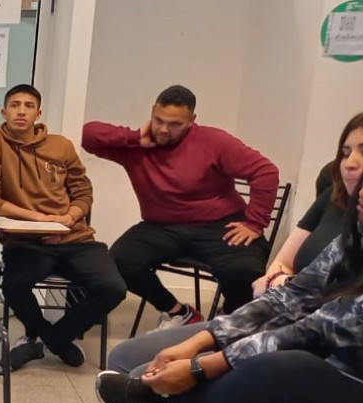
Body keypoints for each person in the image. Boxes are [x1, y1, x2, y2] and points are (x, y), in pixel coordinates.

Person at [100, 113, 363, 403]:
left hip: (335, 388)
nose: (351, 163)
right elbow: (291, 295)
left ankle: (170, 399)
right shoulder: (351, 229)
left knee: (281, 367)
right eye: (346, 151)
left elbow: (316, 328)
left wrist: (200, 367)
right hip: (311, 359)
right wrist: (200, 340)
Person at [83, 85, 280, 331]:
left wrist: (254, 222)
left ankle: (226, 321)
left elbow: (265, 172)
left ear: (191, 121)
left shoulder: (214, 141)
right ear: (152, 112)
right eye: (158, 120)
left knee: (246, 271)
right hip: (161, 227)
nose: (164, 129)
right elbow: (87, 135)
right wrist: (134, 137)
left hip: (219, 224)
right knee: (121, 262)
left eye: (174, 124)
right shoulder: (135, 146)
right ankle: (181, 313)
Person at [0, 84, 125, 369]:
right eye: (16, 105)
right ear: (4, 111)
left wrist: (67, 220)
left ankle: (49, 340)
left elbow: (84, 192)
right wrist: (40, 221)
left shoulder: (61, 145)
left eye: (29, 105)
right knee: (15, 285)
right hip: (26, 239)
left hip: (73, 236)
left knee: (113, 287)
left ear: (38, 112)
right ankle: (51, 337)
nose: (21, 111)